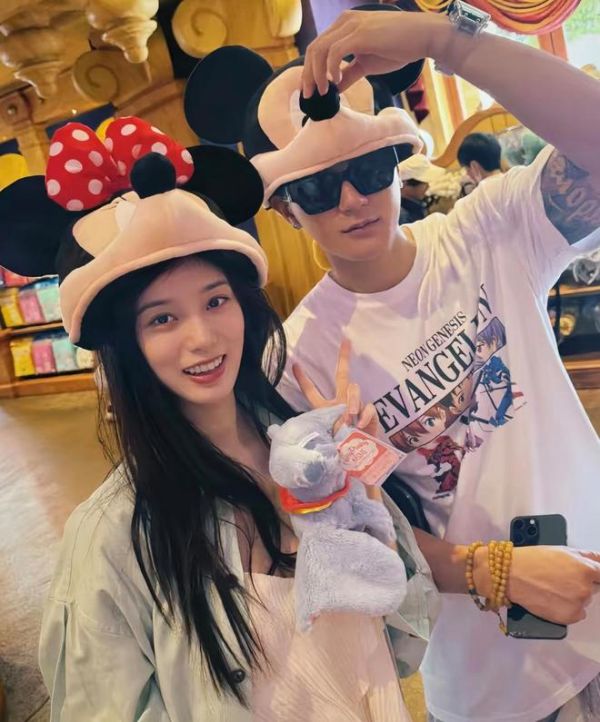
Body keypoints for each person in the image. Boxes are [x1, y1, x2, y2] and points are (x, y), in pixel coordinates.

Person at [184, 4, 600, 721]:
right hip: (490, 678)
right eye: (318, 188)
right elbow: (354, 542)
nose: (353, 200)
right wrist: (496, 571)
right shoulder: (298, 363)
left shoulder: (489, 231)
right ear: (284, 208)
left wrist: (447, 40)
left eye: (369, 168)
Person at [0, 117, 436, 721]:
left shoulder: (305, 448)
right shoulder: (113, 536)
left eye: (215, 300)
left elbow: (400, 634)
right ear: (126, 345)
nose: (203, 338)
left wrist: (360, 493)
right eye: (162, 318)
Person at [398, 154, 445, 224]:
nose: (428, 186)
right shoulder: (403, 216)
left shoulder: (414, 207)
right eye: (425, 183)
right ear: (404, 183)